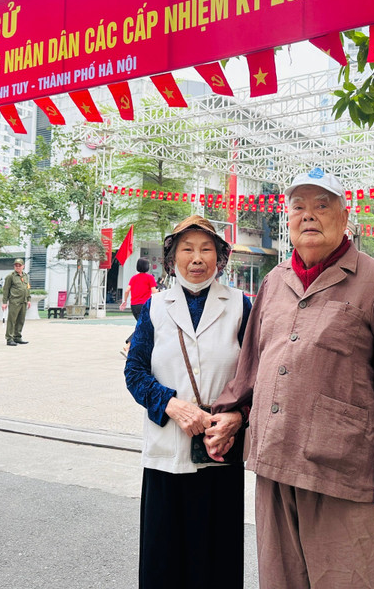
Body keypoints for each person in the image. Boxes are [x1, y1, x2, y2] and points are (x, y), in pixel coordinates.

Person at [205, 168, 374, 589]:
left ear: (344, 218)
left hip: (342, 469)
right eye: (299, 207)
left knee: (347, 578)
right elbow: (252, 360)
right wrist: (233, 411)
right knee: (280, 580)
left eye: (322, 206)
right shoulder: (273, 281)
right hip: (275, 458)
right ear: (287, 220)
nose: (309, 216)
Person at [124, 215, 252, 589]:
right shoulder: (154, 308)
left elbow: (255, 375)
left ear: (220, 257)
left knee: (218, 558)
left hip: (220, 447)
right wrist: (171, 405)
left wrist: (237, 416)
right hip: (167, 451)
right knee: (164, 560)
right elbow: (134, 372)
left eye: (206, 249)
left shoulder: (241, 306)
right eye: (187, 249)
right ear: (172, 258)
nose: (197, 258)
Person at [119, 257, 158, 357]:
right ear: (147, 267)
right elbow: (154, 291)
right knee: (145, 326)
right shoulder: (149, 278)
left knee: (144, 326)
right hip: (145, 306)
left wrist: (125, 301)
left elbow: (127, 290)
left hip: (134, 306)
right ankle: (128, 346)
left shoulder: (134, 278)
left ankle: (137, 348)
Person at [2, 258, 31, 346]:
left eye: (19, 265)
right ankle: (9, 338)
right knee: (12, 320)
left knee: (20, 320)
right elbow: (6, 289)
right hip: (15, 301)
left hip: (24, 301)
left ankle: (17, 337)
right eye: (16, 265)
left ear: (23, 266)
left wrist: (29, 299)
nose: (18, 267)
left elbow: (28, 288)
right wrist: (4, 302)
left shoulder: (26, 276)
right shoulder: (10, 276)